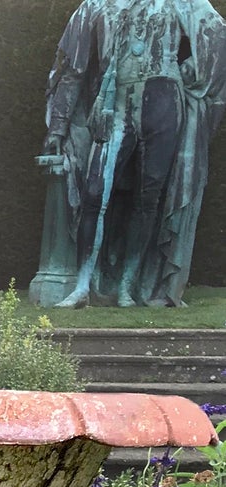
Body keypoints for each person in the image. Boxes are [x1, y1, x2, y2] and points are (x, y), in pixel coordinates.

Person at [42, 0, 226, 308]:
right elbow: (72, 68)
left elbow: (217, 34)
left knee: (149, 197)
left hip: (164, 102)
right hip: (114, 103)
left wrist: (190, 68)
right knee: (95, 191)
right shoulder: (95, 6)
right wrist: (58, 127)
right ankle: (83, 285)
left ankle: (128, 284)